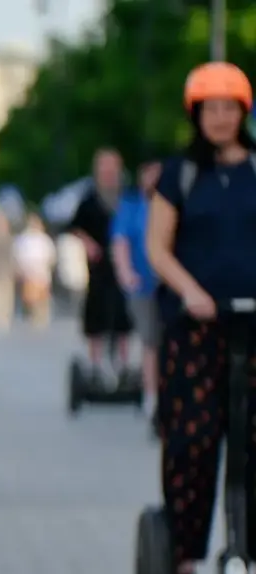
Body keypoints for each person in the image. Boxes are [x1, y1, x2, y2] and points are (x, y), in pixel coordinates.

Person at [146, 62, 256, 574]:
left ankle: (247, 548)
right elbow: (157, 247)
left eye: (227, 108)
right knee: (193, 440)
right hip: (195, 330)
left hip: (252, 326)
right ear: (196, 115)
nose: (219, 117)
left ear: (243, 112)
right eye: (209, 109)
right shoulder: (181, 174)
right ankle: (185, 554)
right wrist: (191, 292)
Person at [68, 149, 134, 378]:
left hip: (124, 267)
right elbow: (74, 226)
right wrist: (88, 243)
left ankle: (123, 364)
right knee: (96, 314)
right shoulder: (89, 199)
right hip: (98, 268)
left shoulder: (127, 198)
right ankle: (95, 363)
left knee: (123, 316)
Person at [111, 158, 163, 417]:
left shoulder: (171, 204)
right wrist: (126, 273)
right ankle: (151, 394)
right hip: (143, 285)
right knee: (151, 341)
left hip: (171, 287)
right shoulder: (132, 206)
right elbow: (120, 241)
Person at [13, 214, 56, 328]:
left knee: (42, 297)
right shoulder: (24, 239)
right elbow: (18, 255)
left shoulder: (44, 239)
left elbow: (51, 256)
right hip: (29, 272)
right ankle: (30, 316)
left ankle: (41, 318)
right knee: (29, 297)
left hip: (41, 272)